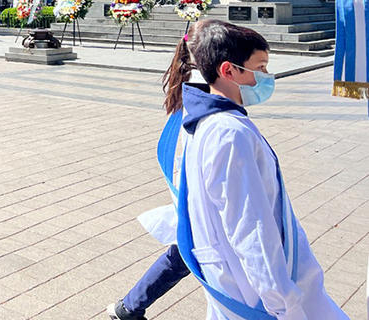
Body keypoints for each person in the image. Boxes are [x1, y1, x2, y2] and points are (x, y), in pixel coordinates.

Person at [115, 20, 346, 320]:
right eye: (259, 68)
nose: (266, 76)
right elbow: (251, 229)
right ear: (228, 71)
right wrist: (285, 305)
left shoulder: (202, 120)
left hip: (234, 284)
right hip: (257, 295)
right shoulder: (230, 133)